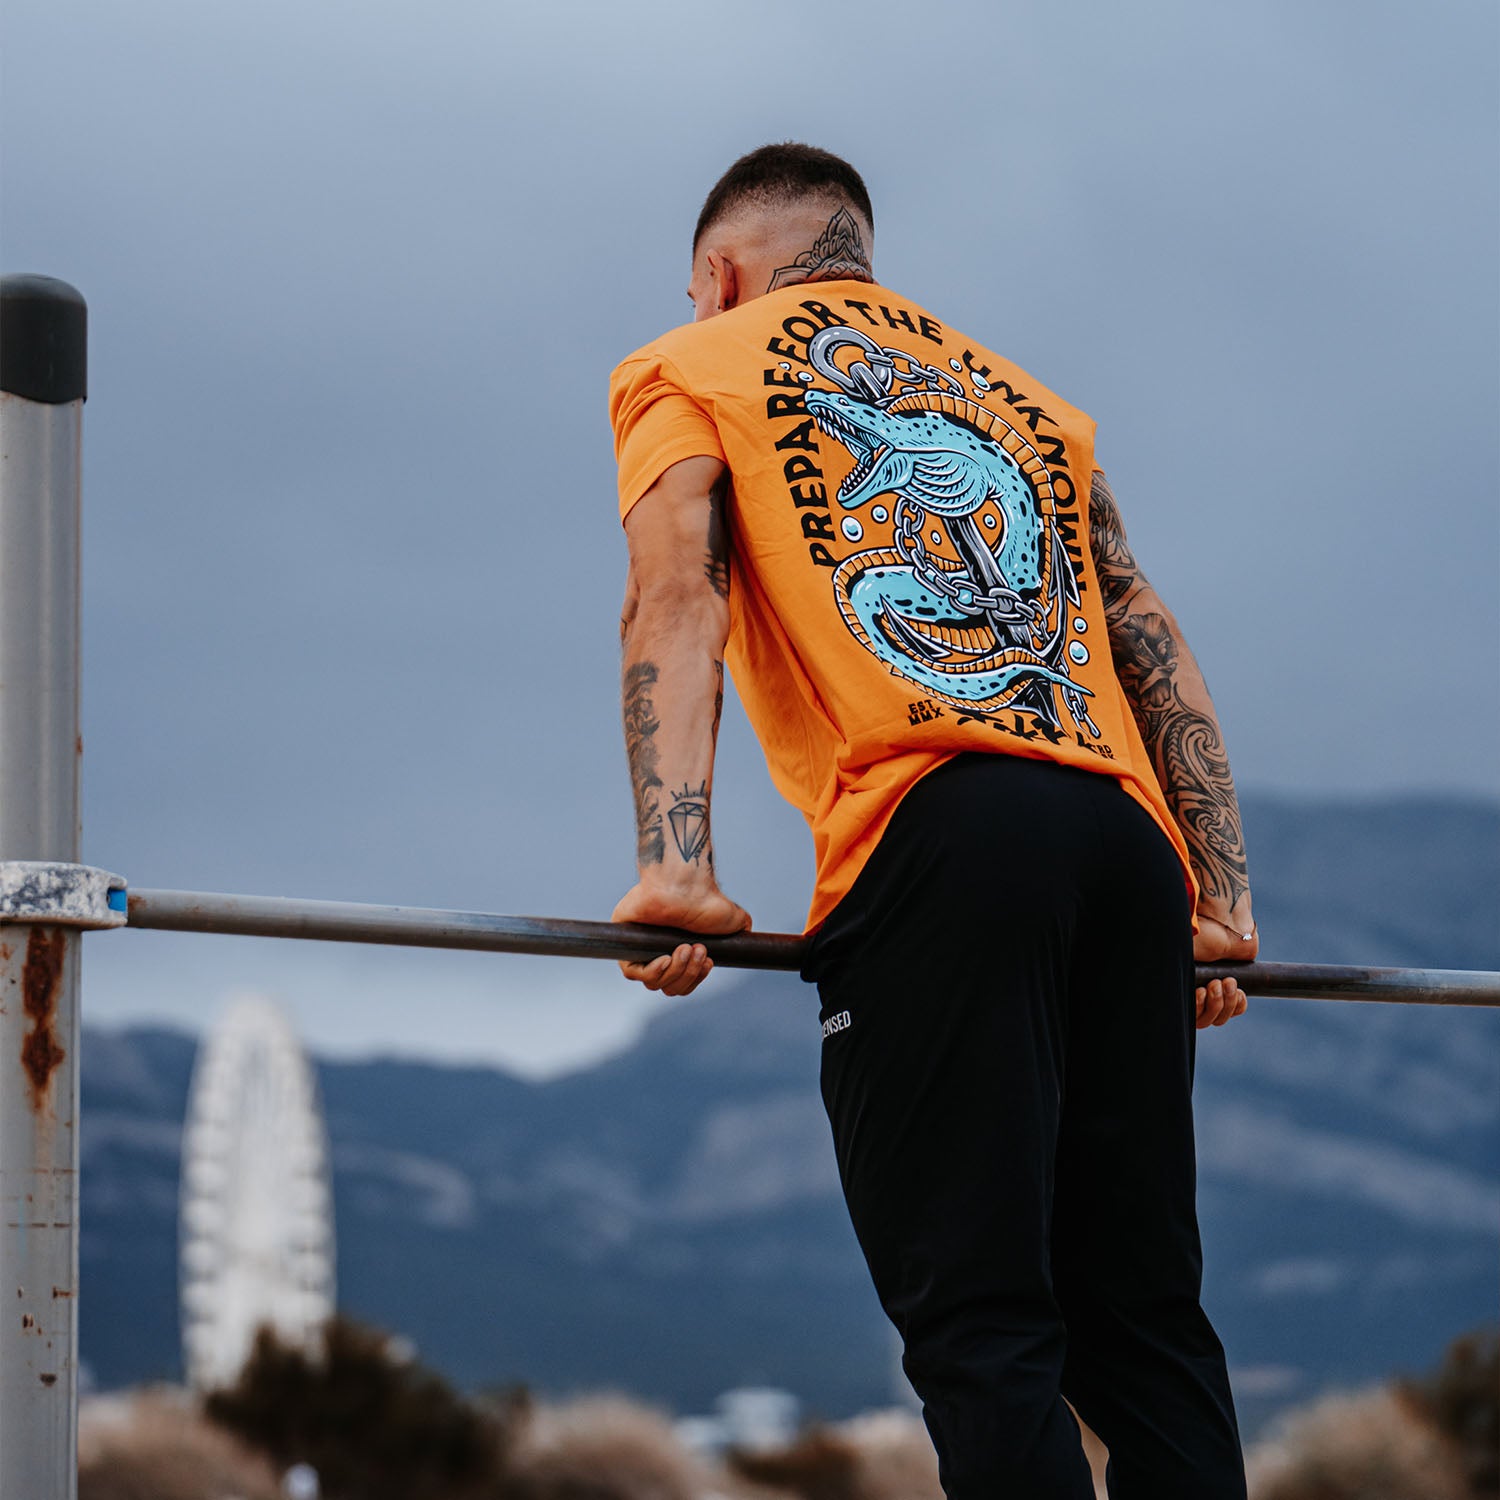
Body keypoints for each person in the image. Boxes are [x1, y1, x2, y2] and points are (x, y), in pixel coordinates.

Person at [607, 142, 1256, 1498]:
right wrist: (1222, 898)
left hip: (941, 832)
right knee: (1146, 1327)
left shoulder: (690, 364)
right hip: (1125, 844)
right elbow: (1146, 634)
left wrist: (678, 869)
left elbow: (679, 595)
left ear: (720, 273)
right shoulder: (1025, 401)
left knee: (983, 1326)